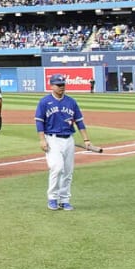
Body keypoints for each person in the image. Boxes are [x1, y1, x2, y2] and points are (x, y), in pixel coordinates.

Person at [35, 75, 94, 211]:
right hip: (52, 139)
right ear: (52, 86)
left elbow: (79, 121)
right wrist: (42, 139)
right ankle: (52, 198)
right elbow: (39, 121)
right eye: (58, 84)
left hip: (69, 139)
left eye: (63, 84)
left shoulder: (71, 102)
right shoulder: (45, 102)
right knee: (57, 168)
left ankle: (64, 199)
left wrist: (86, 139)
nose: (61, 87)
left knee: (68, 171)